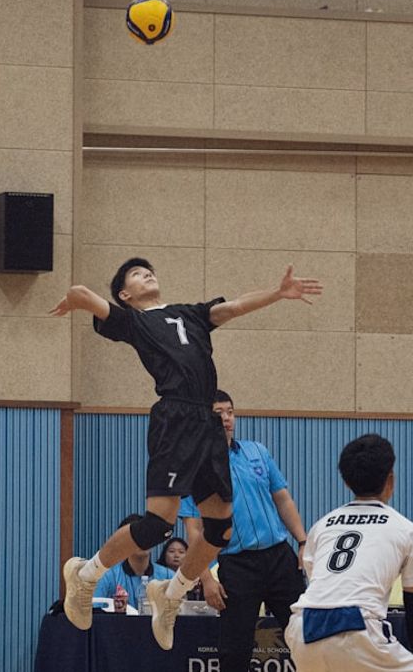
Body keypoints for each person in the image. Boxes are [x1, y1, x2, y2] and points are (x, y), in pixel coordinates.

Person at [50, 258, 322, 650]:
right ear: (126, 294)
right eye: (136, 274)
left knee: (220, 530)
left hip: (206, 421)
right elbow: (96, 304)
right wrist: (80, 296)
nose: (147, 274)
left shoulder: (188, 315)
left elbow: (233, 307)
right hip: (175, 417)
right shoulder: (134, 321)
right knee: (158, 524)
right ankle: (87, 574)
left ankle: (171, 594)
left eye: (149, 270)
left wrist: (277, 294)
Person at [179, 389, 307, 672]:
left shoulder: (257, 451)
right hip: (237, 565)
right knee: (235, 649)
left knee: (305, 636)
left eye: (230, 412)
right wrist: (206, 579)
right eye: (218, 413)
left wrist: (302, 541)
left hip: (279, 558)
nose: (226, 419)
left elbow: (282, 498)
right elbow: (194, 529)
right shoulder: (194, 468)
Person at [287, 434, 413, 672]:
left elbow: (320, 585)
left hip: (302, 625)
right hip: (356, 626)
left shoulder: (322, 525)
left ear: (347, 482)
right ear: (391, 480)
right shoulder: (409, 531)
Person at [94, 514, 176, 613]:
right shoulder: (108, 576)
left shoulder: (169, 576)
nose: (143, 542)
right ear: (123, 542)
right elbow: (95, 612)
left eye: (147, 536)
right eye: (137, 538)